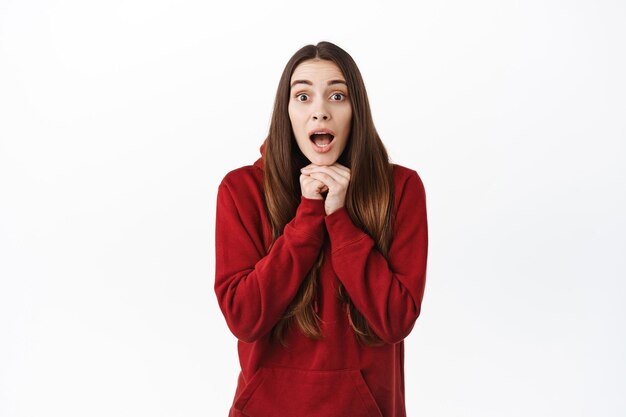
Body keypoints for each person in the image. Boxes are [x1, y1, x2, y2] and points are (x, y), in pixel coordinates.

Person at [214, 41, 428, 417]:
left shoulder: (402, 189)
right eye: (303, 96)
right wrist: (308, 215)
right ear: (287, 112)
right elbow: (244, 318)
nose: (320, 112)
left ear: (356, 110)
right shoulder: (241, 190)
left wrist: (339, 219)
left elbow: (395, 320)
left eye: (337, 95)